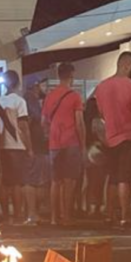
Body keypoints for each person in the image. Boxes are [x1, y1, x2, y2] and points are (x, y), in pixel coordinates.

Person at [94, 51, 131, 227]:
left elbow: (100, 113)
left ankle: (109, 214)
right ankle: (125, 216)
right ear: (126, 65)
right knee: (125, 178)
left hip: (109, 137)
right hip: (127, 135)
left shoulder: (102, 87)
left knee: (112, 177)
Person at [44, 62, 85, 227]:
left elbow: (44, 121)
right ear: (71, 76)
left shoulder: (49, 96)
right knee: (69, 181)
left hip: (54, 143)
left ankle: (54, 217)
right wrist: (83, 144)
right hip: (71, 142)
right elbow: (79, 123)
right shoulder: (74, 96)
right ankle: (66, 216)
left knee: (55, 181)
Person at [0, 70, 31, 225]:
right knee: (17, 183)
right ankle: (18, 216)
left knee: (5, 182)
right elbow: (23, 126)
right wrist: (29, 147)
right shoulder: (19, 101)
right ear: (17, 83)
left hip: (2, 145)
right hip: (17, 146)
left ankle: (5, 215)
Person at [23, 78, 51, 225]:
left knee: (40, 180)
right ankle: (32, 213)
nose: (45, 88)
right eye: (43, 85)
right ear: (35, 86)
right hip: (36, 145)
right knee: (34, 180)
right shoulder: (29, 99)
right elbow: (27, 124)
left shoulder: (35, 100)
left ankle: (34, 212)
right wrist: (29, 147)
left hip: (39, 145)